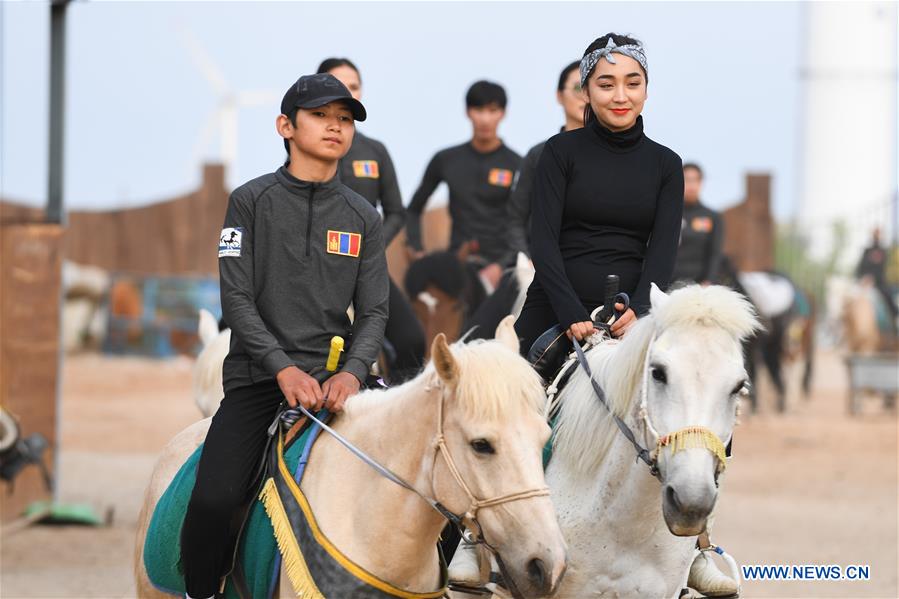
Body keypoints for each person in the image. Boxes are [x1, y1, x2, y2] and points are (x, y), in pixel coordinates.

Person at [180, 73, 389, 599]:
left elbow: (374, 311)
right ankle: (200, 590)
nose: (335, 127)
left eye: (344, 119)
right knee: (212, 500)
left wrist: (353, 373)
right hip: (258, 380)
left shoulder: (364, 216)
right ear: (286, 126)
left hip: (338, 385)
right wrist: (282, 368)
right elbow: (237, 302)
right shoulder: (249, 201)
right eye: (321, 116)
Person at [514, 33, 684, 354]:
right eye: (606, 85)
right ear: (587, 92)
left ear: (646, 90)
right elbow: (544, 242)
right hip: (556, 305)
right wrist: (570, 312)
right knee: (505, 389)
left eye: (632, 84)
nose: (621, 96)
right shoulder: (559, 151)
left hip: (632, 313)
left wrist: (640, 310)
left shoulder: (667, 164)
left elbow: (662, 254)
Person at [318, 57, 425, 382]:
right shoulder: (308, 149)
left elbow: (396, 211)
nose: (346, 92)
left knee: (412, 340)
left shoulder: (376, 151)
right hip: (319, 270)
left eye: (353, 87)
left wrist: (371, 245)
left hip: (368, 267)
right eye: (337, 85)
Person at [405, 80, 521, 290]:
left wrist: (501, 265)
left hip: (504, 269)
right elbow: (413, 209)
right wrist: (417, 250)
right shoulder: (446, 159)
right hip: (457, 264)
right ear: (468, 112)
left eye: (492, 110)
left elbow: (526, 222)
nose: (485, 118)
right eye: (478, 110)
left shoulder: (516, 164)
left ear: (503, 114)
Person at [504, 60, 586, 265]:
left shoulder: (617, 154)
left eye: (593, 87)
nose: (585, 97)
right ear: (559, 96)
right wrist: (527, 262)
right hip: (539, 270)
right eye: (578, 88)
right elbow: (515, 219)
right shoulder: (539, 155)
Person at [671, 162, 725, 285]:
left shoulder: (712, 217)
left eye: (695, 180)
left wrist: (709, 281)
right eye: (687, 180)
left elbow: (715, 253)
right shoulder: (669, 214)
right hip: (669, 283)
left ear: (701, 183)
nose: (691, 185)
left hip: (699, 285)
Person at [857, 227, 899, 332]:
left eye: (878, 234)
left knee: (889, 299)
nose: (877, 236)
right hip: (866, 285)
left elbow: (886, 269)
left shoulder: (884, 251)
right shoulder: (867, 251)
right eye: (875, 234)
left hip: (880, 284)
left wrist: (875, 279)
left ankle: (893, 325)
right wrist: (864, 278)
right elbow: (860, 268)